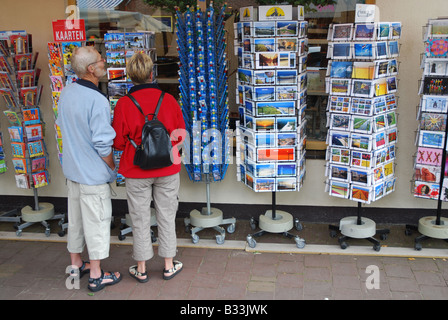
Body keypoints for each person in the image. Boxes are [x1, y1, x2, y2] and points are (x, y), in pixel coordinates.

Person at [112, 52, 185, 283]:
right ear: (152, 73)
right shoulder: (169, 100)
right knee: (166, 215)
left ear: (130, 76)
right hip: (167, 169)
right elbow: (180, 134)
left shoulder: (123, 104)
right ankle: (168, 265)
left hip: (136, 170)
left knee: (140, 217)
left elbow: (118, 142)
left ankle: (141, 268)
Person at [56, 46, 121, 292]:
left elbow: (63, 126)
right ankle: (96, 275)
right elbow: (103, 142)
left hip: (72, 171)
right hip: (92, 175)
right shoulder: (97, 99)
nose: (104, 61)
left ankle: (76, 265)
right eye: (100, 59)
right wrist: (111, 166)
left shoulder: (66, 93)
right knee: (97, 223)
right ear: (91, 69)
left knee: (76, 222)